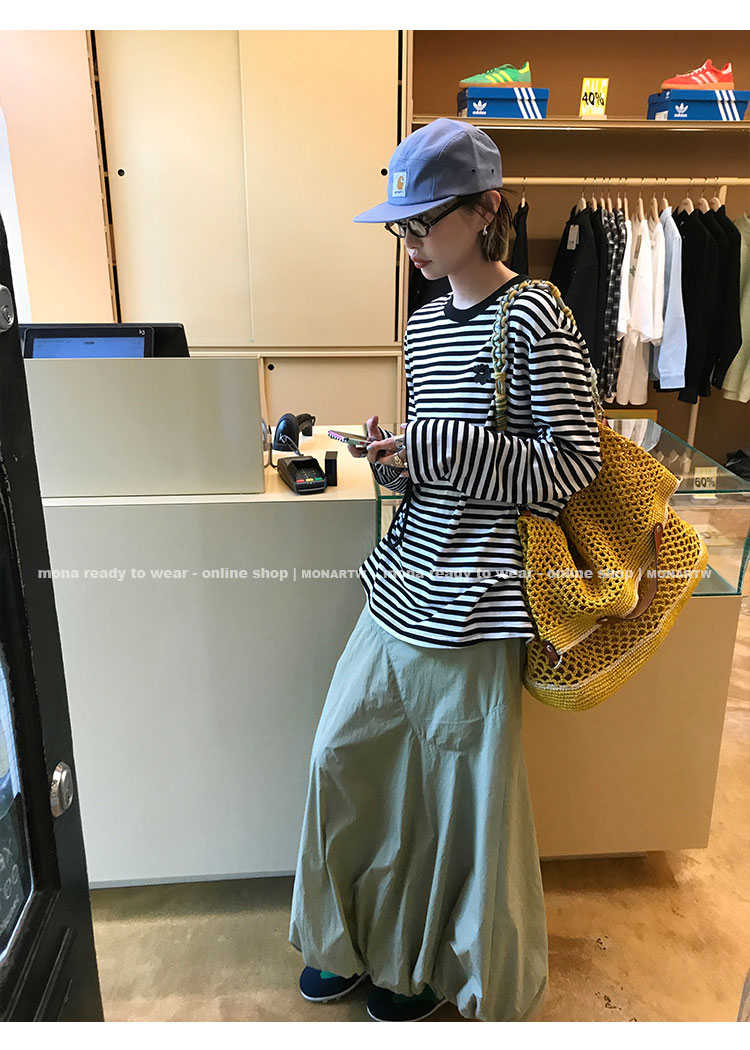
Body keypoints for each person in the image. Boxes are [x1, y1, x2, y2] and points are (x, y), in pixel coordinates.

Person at [288, 118, 603, 1022]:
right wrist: (397, 460)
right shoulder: (423, 327)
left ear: (486, 210)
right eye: (404, 226)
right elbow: (439, 467)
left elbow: (572, 465)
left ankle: (425, 964)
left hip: (482, 595)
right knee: (342, 753)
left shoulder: (537, 314)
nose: (413, 243)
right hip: (406, 580)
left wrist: (437, 446)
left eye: (426, 222)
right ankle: (348, 938)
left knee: (451, 795)